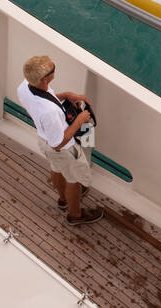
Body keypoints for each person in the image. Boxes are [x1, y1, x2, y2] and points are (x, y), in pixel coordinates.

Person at [16, 55, 102, 226]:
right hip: (63, 149)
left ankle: (63, 200)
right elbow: (59, 143)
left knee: (57, 168)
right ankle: (75, 215)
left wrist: (66, 95)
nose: (55, 68)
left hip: (44, 140)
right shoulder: (48, 112)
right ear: (45, 79)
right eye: (52, 69)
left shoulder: (25, 86)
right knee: (74, 180)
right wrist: (80, 120)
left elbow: (48, 97)